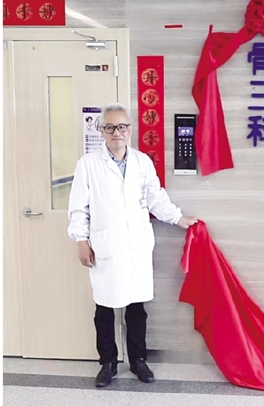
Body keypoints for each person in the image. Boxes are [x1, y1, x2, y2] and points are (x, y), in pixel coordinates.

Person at [67, 103, 198, 388]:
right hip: (105, 246)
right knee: (105, 308)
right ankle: (108, 363)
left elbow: (156, 198)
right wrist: (80, 241)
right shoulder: (88, 164)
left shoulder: (142, 162)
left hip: (136, 246)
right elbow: (79, 207)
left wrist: (178, 218)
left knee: (137, 307)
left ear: (130, 129)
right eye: (110, 127)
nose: (117, 132)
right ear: (101, 131)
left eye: (122, 126)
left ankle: (138, 360)